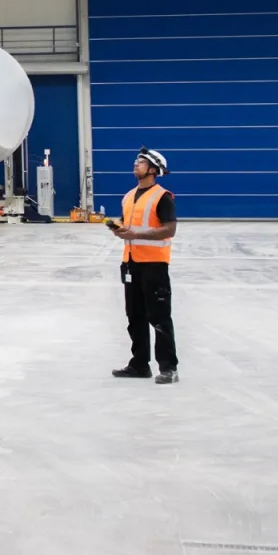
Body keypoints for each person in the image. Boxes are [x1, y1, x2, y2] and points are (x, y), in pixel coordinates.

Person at [109, 148, 178, 384]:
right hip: (130, 263)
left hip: (154, 265)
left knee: (159, 317)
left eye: (140, 162)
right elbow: (130, 226)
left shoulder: (162, 197)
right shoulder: (129, 196)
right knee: (135, 316)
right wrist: (120, 229)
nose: (135, 164)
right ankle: (139, 365)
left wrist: (136, 234)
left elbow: (170, 229)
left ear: (153, 169)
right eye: (136, 161)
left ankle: (169, 368)